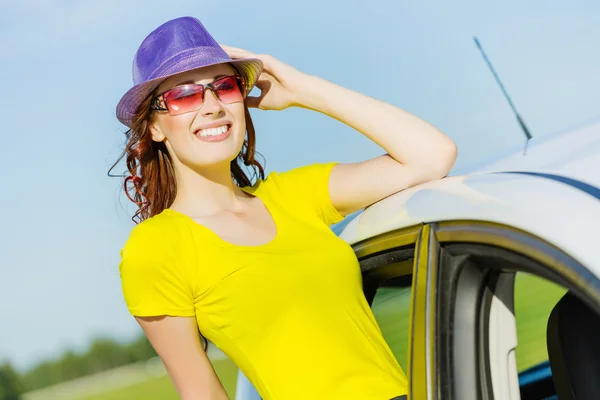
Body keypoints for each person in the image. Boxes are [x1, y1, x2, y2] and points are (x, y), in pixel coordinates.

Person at [112, 16, 457, 400]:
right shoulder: (156, 249)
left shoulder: (293, 194)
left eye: (225, 87)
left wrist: (302, 90)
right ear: (155, 128)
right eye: (185, 95)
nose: (212, 106)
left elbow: (431, 155)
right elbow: (202, 393)